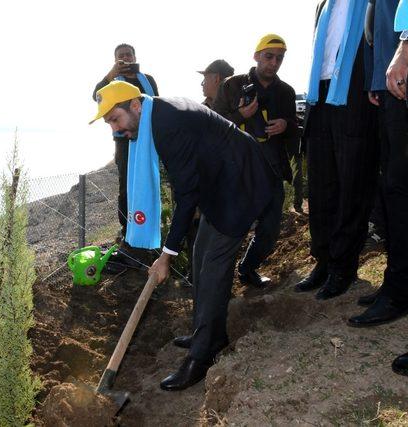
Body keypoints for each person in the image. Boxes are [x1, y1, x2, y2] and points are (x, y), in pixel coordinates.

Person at [90, 81, 275, 391]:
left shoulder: (166, 124)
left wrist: (166, 255)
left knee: (213, 268)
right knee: (200, 258)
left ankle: (203, 356)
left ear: (135, 106)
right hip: (218, 184)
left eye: (115, 119)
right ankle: (207, 330)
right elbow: (188, 181)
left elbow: (186, 194)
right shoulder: (156, 113)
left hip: (239, 184)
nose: (115, 130)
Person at [295, 0, 379, 300]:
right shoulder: (322, 6)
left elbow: (379, 39)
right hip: (320, 97)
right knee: (321, 187)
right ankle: (323, 260)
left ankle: (343, 267)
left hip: (356, 96)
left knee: (352, 185)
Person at [349, 0, 408, 376]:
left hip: (401, 79)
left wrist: (406, 43)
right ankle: (399, 286)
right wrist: (376, 81)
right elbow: (379, 27)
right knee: (395, 194)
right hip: (391, 90)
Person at [213, 34, 296, 288]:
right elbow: (213, 123)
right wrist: (240, 115)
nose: (273, 63)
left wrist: (286, 125)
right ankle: (219, 280)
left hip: (271, 169)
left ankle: (248, 269)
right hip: (237, 171)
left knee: (270, 229)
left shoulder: (286, 92)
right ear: (256, 56)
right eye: (268, 57)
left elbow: (295, 127)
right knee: (230, 229)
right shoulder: (232, 86)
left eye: (279, 59)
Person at [93, 44, 158, 247]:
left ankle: (151, 224)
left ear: (135, 56)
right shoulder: (112, 82)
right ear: (115, 60)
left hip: (149, 137)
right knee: (126, 186)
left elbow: (156, 102)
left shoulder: (147, 80)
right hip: (124, 141)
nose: (125, 58)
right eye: (120, 56)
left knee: (150, 179)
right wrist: (110, 75)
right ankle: (127, 229)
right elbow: (96, 96)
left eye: (128, 54)